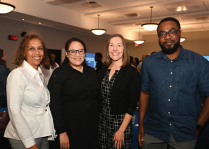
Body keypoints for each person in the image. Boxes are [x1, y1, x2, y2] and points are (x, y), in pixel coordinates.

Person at [137, 17, 209, 149]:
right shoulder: (149, 62)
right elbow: (145, 93)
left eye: (172, 32)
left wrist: (198, 126)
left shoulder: (198, 62)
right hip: (154, 131)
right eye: (162, 34)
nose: (167, 37)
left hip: (185, 133)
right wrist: (141, 125)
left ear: (180, 33)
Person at [4, 34, 56, 149]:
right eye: (31, 48)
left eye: (40, 48)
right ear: (23, 52)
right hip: (24, 137)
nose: (37, 53)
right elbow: (14, 112)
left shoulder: (39, 75)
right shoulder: (18, 75)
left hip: (42, 133)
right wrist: (30, 143)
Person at [48, 37, 99, 149]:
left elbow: (97, 98)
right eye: (73, 51)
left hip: (91, 125)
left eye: (80, 51)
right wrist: (62, 132)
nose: (77, 54)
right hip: (70, 125)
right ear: (67, 53)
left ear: (84, 53)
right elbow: (55, 105)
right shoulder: (59, 74)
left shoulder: (91, 72)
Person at [98, 34, 141, 149]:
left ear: (124, 49)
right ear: (108, 49)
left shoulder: (132, 72)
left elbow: (132, 105)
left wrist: (121, 130)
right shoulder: (103, 69)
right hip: (102, 122)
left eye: (119, 45)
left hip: (120, 123)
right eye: (111, 45)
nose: (115, 49)